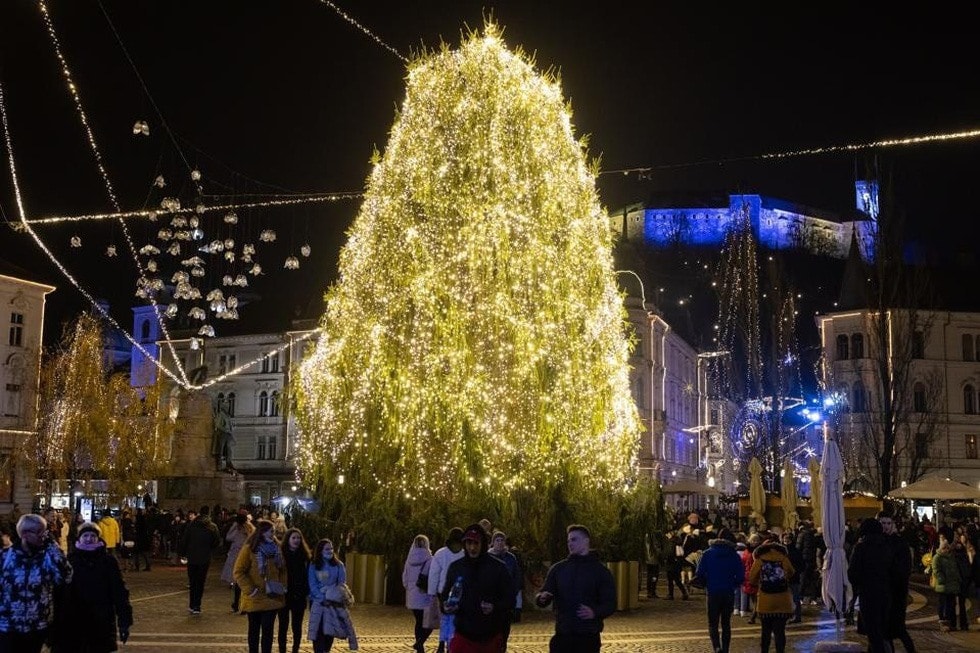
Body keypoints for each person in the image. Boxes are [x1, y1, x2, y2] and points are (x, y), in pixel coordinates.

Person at [49, 521, 133, 653]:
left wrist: (124, 621)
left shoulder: (108, 561)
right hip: (73, 621)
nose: (89, 539)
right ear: (80, 538)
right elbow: (59, 593)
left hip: (101, 620)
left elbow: (119, 592)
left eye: (92, 536)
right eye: (85, 535)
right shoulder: (70, 560)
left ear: (98, 538)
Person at [535, 524, 616, 653]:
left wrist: (594, 611)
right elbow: (544, 593)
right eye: (568, 540)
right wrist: (542, 598)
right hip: (563, 635)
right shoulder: (558, 569)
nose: (570, 544)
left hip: (588, 637)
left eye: (574, 540)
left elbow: (610, 603)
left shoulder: (601, 571)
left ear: (586, 541)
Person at [0, 514, 73, 653]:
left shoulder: (46, 558)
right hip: (7, 627)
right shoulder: (5, 557)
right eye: (40, 532)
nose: (44, 536)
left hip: (37, 627)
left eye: (45, 532)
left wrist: (52, 546)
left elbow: (66, 576)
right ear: (25, 534)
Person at [440, 523, 514, 653]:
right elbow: (445, 595)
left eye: (476, 543)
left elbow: (509, 599)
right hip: (463, 633)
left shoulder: (498, 567)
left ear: (483, 544)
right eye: (469, 543)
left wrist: (494, 607)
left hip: (490, 635)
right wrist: (446, 606)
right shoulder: (456, 567)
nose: (472, 547)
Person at [234, 519, 287, 653]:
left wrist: (282, 585)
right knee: (254, 630)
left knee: (268, 630)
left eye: (273, 532)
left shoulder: (277, 549)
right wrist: (250, 590)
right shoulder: (250, 549)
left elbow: (283, 570)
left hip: (272, 596)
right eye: (270, 531)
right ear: (262, 532)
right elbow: (238, 571)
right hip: (255, 596)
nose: (272, 534)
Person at [693, 527, 744, 653]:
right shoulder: (734, 555)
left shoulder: (707, 553)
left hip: (713, 592)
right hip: (728, 592)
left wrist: (707, 582)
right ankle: (725, 649)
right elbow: (741, 576)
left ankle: (716, 647)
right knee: (726, 623)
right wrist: (734, 584)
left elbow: (699, 573)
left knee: (713, 623)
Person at [748, 537, 795, 653]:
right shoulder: (783, 558)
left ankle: (764, 651)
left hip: (765, 601)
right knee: (780, 632)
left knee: (765, 631)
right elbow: (791, 572)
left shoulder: (759, 559)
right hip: (782, 600)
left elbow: (752, 578)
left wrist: (759, 582)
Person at [308, 538, 355, 653]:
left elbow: (341, 584)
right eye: (327, 549)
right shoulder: (314, 565)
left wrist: (332, 595)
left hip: (333, 603)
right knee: (318, 631)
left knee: (329, 631)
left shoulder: (339, 565)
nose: (330, 551)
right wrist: (321, 597)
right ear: (320, 550)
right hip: (318, 603)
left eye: (331, 548)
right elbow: (312, 584)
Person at [878, 511, 916, 652]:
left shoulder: (899, 542)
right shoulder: (878, 541)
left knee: (899, 629)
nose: (886, 526)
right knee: (884, 630)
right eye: (883, 523)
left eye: (888, 523)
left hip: (897, 592)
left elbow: (904, 568)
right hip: (884, 592)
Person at [179, 504, 222, 614]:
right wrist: (209, 548)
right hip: (204, 557)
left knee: (192, 581)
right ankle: (197, 605)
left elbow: (184, 541)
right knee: (200, 581)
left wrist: (183, 553)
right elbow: (216, 542)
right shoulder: (212, 526)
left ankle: (192, 604)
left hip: (192, 557)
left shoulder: (192, 525)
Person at [427, 526, 465, 653]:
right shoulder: (465, 553)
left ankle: (442, 642)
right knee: (455, 620)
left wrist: (431, 592)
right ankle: (451, 642)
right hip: (460, 591)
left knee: (444, 618)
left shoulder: (440, 553)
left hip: (442, 591)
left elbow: (434, 574)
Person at [278, 527, 311, 653]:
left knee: (297, 626)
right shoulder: (281, 555)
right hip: (284, 595)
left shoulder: (305, 556)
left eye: (298, 538)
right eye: (294, 538)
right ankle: (282, 650)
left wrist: (305, 591)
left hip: (299, 596)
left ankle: (295, 649)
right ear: (288, 539)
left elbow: (308, 575)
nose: (296, 540)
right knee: (283, 626)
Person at [488, 530, 522, 650]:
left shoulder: (510, 558)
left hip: (506, 600)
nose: (500, 542)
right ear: (493, 542)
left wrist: (514, 591)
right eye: (497, 540)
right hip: (491, 598)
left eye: (502, 540)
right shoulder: (487, 557)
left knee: (504, 629)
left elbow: (516, 575)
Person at [402, 534, 434, 653]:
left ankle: (419, 646)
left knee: (418, 621)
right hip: (425, 595)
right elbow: (433, 577)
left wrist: (409, 588)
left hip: (412, 596)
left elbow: (404, 577)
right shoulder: (430, 559)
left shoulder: (409, 560)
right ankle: (420, 643)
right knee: (429, 623)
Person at [223, 512, 255, 612]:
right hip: (247, 555)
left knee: (239, 581)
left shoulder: (237, 527)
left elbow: (229, 537)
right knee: (244, 581)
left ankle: (237, 604)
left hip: (238, 555)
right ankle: (243, 605)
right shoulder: (250, 527)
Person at [931, 539, 960, 631]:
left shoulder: (951, 557)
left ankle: (951, 623)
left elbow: (955, 569)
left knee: (951, 604)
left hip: (952, 584)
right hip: (943, 585)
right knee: (943, 604)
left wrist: (957, 579)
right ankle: (943, 622)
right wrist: (941, 579)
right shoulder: (937, 557)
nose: (946, 550)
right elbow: (936, 570)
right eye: (944, 548)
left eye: (947, 548)